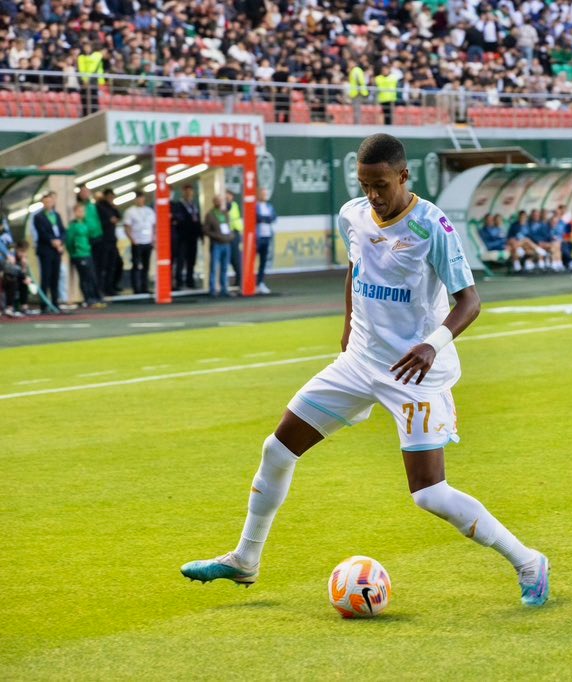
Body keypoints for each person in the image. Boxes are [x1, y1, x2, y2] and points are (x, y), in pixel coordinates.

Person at [181, 134, 550, 607]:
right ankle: (245, 560)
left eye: (381, 184)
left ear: (403, 176)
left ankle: (529, 562)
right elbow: (355, 269)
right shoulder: (352, 214)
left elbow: (470, 302)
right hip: (358, 362)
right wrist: (347, 329)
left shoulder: (432, 225)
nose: (373, 195)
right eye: (364, 184)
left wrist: (431, 346)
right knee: (277, 449)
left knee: (429, 494)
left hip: (415, 373)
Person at [65, 202, 104, 308]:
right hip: (79, 255)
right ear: (75, 212)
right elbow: (69, 241)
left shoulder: (85, 224)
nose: (82, 213)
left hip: (87, 253)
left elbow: (92, 234)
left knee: (92, 276)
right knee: (85, 277)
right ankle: (88, 299)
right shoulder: (73, 226)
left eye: (83, 211)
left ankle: (96, 297)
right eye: (80, 211)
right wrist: (74, 253)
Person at [32, 191, 65, 309]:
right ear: (42, 203)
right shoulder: (38, 217)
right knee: (45, 276)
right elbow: (42, 233)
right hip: (45, 250)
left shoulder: (56, 215)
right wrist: (53, 241)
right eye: (46, 202)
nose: (48, 203)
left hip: (57, 250)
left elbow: (62, 231)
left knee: (55, 276)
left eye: (50, 201)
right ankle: (44, 304)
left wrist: (60, 242)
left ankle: (55, 303)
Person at [171, 184, 203, 290]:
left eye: (191, 191)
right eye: (187, 191)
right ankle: (179, 282)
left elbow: (197, 221)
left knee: (191, 260)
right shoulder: (178, 205)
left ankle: (190, 281)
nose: (189, 194)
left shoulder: (194, 205)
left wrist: (200, 235)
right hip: (182, 238)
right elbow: (178, 219)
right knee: (180, 260)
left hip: (193, 237)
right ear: (183, 192)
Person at [123, 194, 156, 295]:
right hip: (137, 242)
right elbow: (127, 227)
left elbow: (154, 226)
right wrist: (132, 240)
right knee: (136, 265)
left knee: (146, 266)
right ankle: (136, 288)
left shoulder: (149, 211)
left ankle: (144, 287)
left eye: (142, 198)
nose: (140, 200)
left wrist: (153, 239)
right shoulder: (130, 211)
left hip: (147, 242)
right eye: (138, 198)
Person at [202, 195, 234, 297]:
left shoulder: (225, 214)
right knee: (214, 267)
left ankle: (224, 289)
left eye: (221, 201)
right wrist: (216, 236)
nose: (219, 203)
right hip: (216, 244)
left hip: (226, 244)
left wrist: (230, 236)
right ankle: (213, 289)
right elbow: (205, 230)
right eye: (217, 201)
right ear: (214, 202)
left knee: (224, 267)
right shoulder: (210, 215)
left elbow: (229, 227)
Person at [95, 188, 122, 296]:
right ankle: (102, 288)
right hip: (104, 240)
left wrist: (114, 208)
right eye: (110, 197)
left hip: (112, 239)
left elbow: (118, 217)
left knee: (115, 264)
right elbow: (102, 222)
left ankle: (111, 286)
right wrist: (109, 221)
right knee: (103, 265)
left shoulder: (112, 207)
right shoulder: (99, 207)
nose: (112, 199)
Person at [256, 188, 277, 295]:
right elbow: (257, 218)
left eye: (266, 194)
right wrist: (265, 218)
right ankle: (251, 283)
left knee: (263, 262)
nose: (265, 195)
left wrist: (264, 218)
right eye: (263, 193)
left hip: (267, 237)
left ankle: (260, 283)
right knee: (251, 262)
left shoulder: (269, 207)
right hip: (257, 238)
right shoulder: (256, 206)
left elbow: (273, 218)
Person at [226, 190, 244, 288]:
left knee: (235, 258)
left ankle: (239, 281)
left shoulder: (233, 205)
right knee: (229, 259)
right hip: (227, 234)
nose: (227, 197)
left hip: (234, 233)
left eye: (228, 195)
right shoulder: (226, 205)